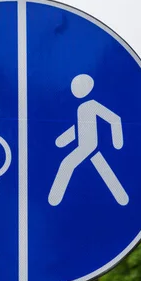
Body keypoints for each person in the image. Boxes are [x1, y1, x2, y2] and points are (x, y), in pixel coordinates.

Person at [48, 74, 129, 206]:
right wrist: (63, 140)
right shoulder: (81, 108)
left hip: (89, 145)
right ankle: (123, 199)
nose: (74, 90)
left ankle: (54, 199)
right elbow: (79, 128)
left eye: (77, 87)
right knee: (104, 170)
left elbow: (114, 119)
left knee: (67, 164)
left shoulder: (92, 105)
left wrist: (117, 142)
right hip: (86, 145)